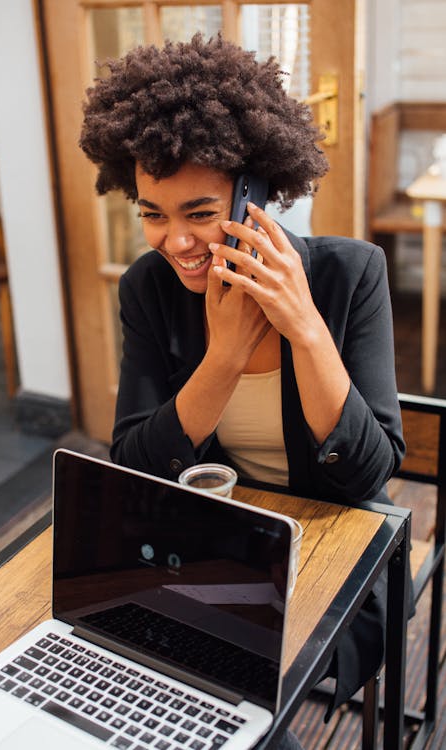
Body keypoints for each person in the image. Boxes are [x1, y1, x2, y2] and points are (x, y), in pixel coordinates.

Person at [80, 33, 405, 733]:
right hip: (214, 551)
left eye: (199, 213)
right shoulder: (150, 291)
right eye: (152, 215)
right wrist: (223, 357)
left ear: (257, 189)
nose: (177, 243)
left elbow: (369, 475)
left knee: (232, 681)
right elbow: (135, 466)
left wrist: (306, 329)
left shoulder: (352, 276)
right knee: (124, 656)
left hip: (337, 556)